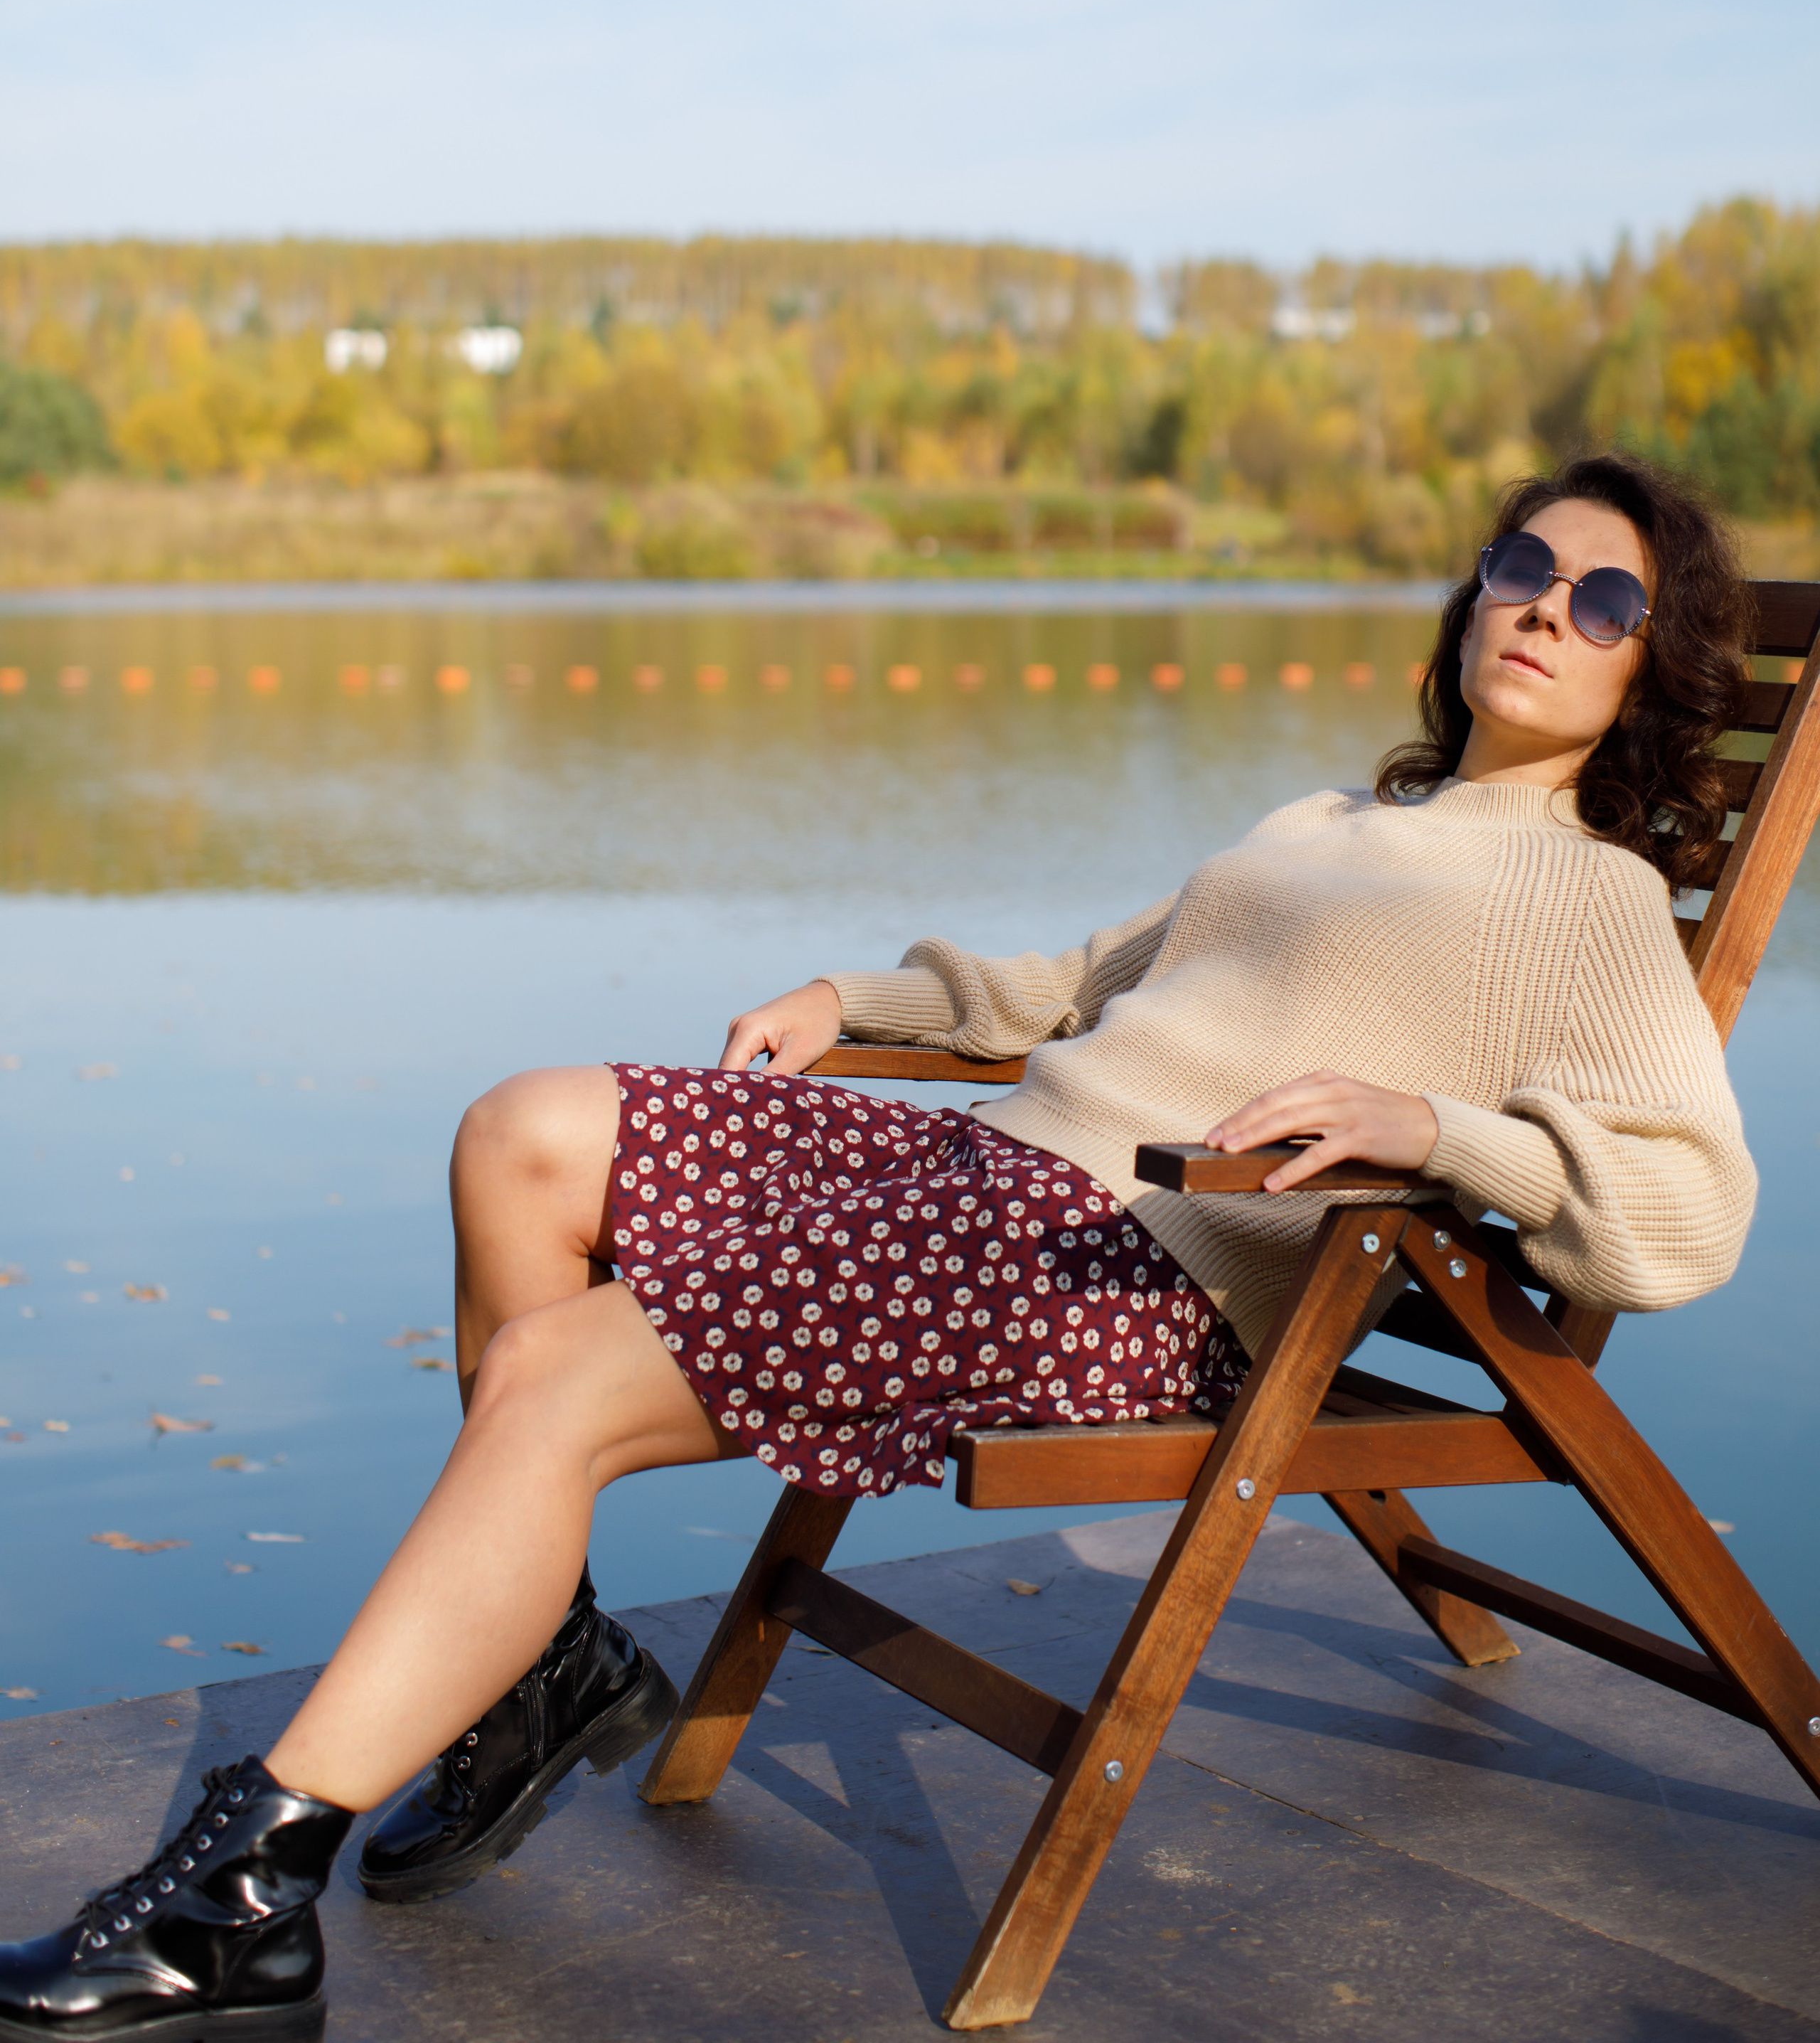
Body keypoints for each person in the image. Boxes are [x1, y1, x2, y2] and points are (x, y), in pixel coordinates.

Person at [0, 452, 1760, 2040]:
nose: (1541, 606)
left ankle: (245, 1899)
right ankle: (538, 1664)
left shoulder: (1589, 902)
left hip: (1121, 1272)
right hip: (980, 1185)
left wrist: (1427, 1132)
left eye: (1600, 600)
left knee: (554, 1373)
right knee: (521, 1134)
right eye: (1518, 565)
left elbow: (1684, 1215)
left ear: (1644, 666)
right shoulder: (1324, 826)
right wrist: (858, 1000)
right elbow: (1077, 989)